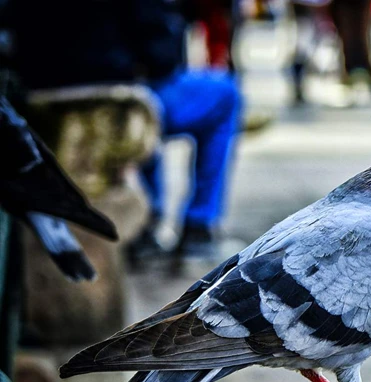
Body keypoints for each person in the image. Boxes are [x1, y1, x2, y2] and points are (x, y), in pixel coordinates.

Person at [9, 0, 243, 263]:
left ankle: (150, 223)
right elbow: (160, 58)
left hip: (40, 105)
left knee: (146, 95)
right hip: (115, 105)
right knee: (225, 94)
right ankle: (198, 227)